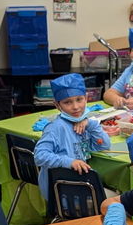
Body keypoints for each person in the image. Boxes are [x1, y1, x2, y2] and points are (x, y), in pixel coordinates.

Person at [33, 72, 111, 202]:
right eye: (67, 102)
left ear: (86, 98)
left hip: (79, 184)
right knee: (118, 201)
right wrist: (69, 162)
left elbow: (104, 145)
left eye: (79, 100)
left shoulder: (84, 125)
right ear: (57, 105)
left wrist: (90, 124)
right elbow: (39, 156)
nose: (75, 107)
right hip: (63, 193)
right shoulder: (55, 128)